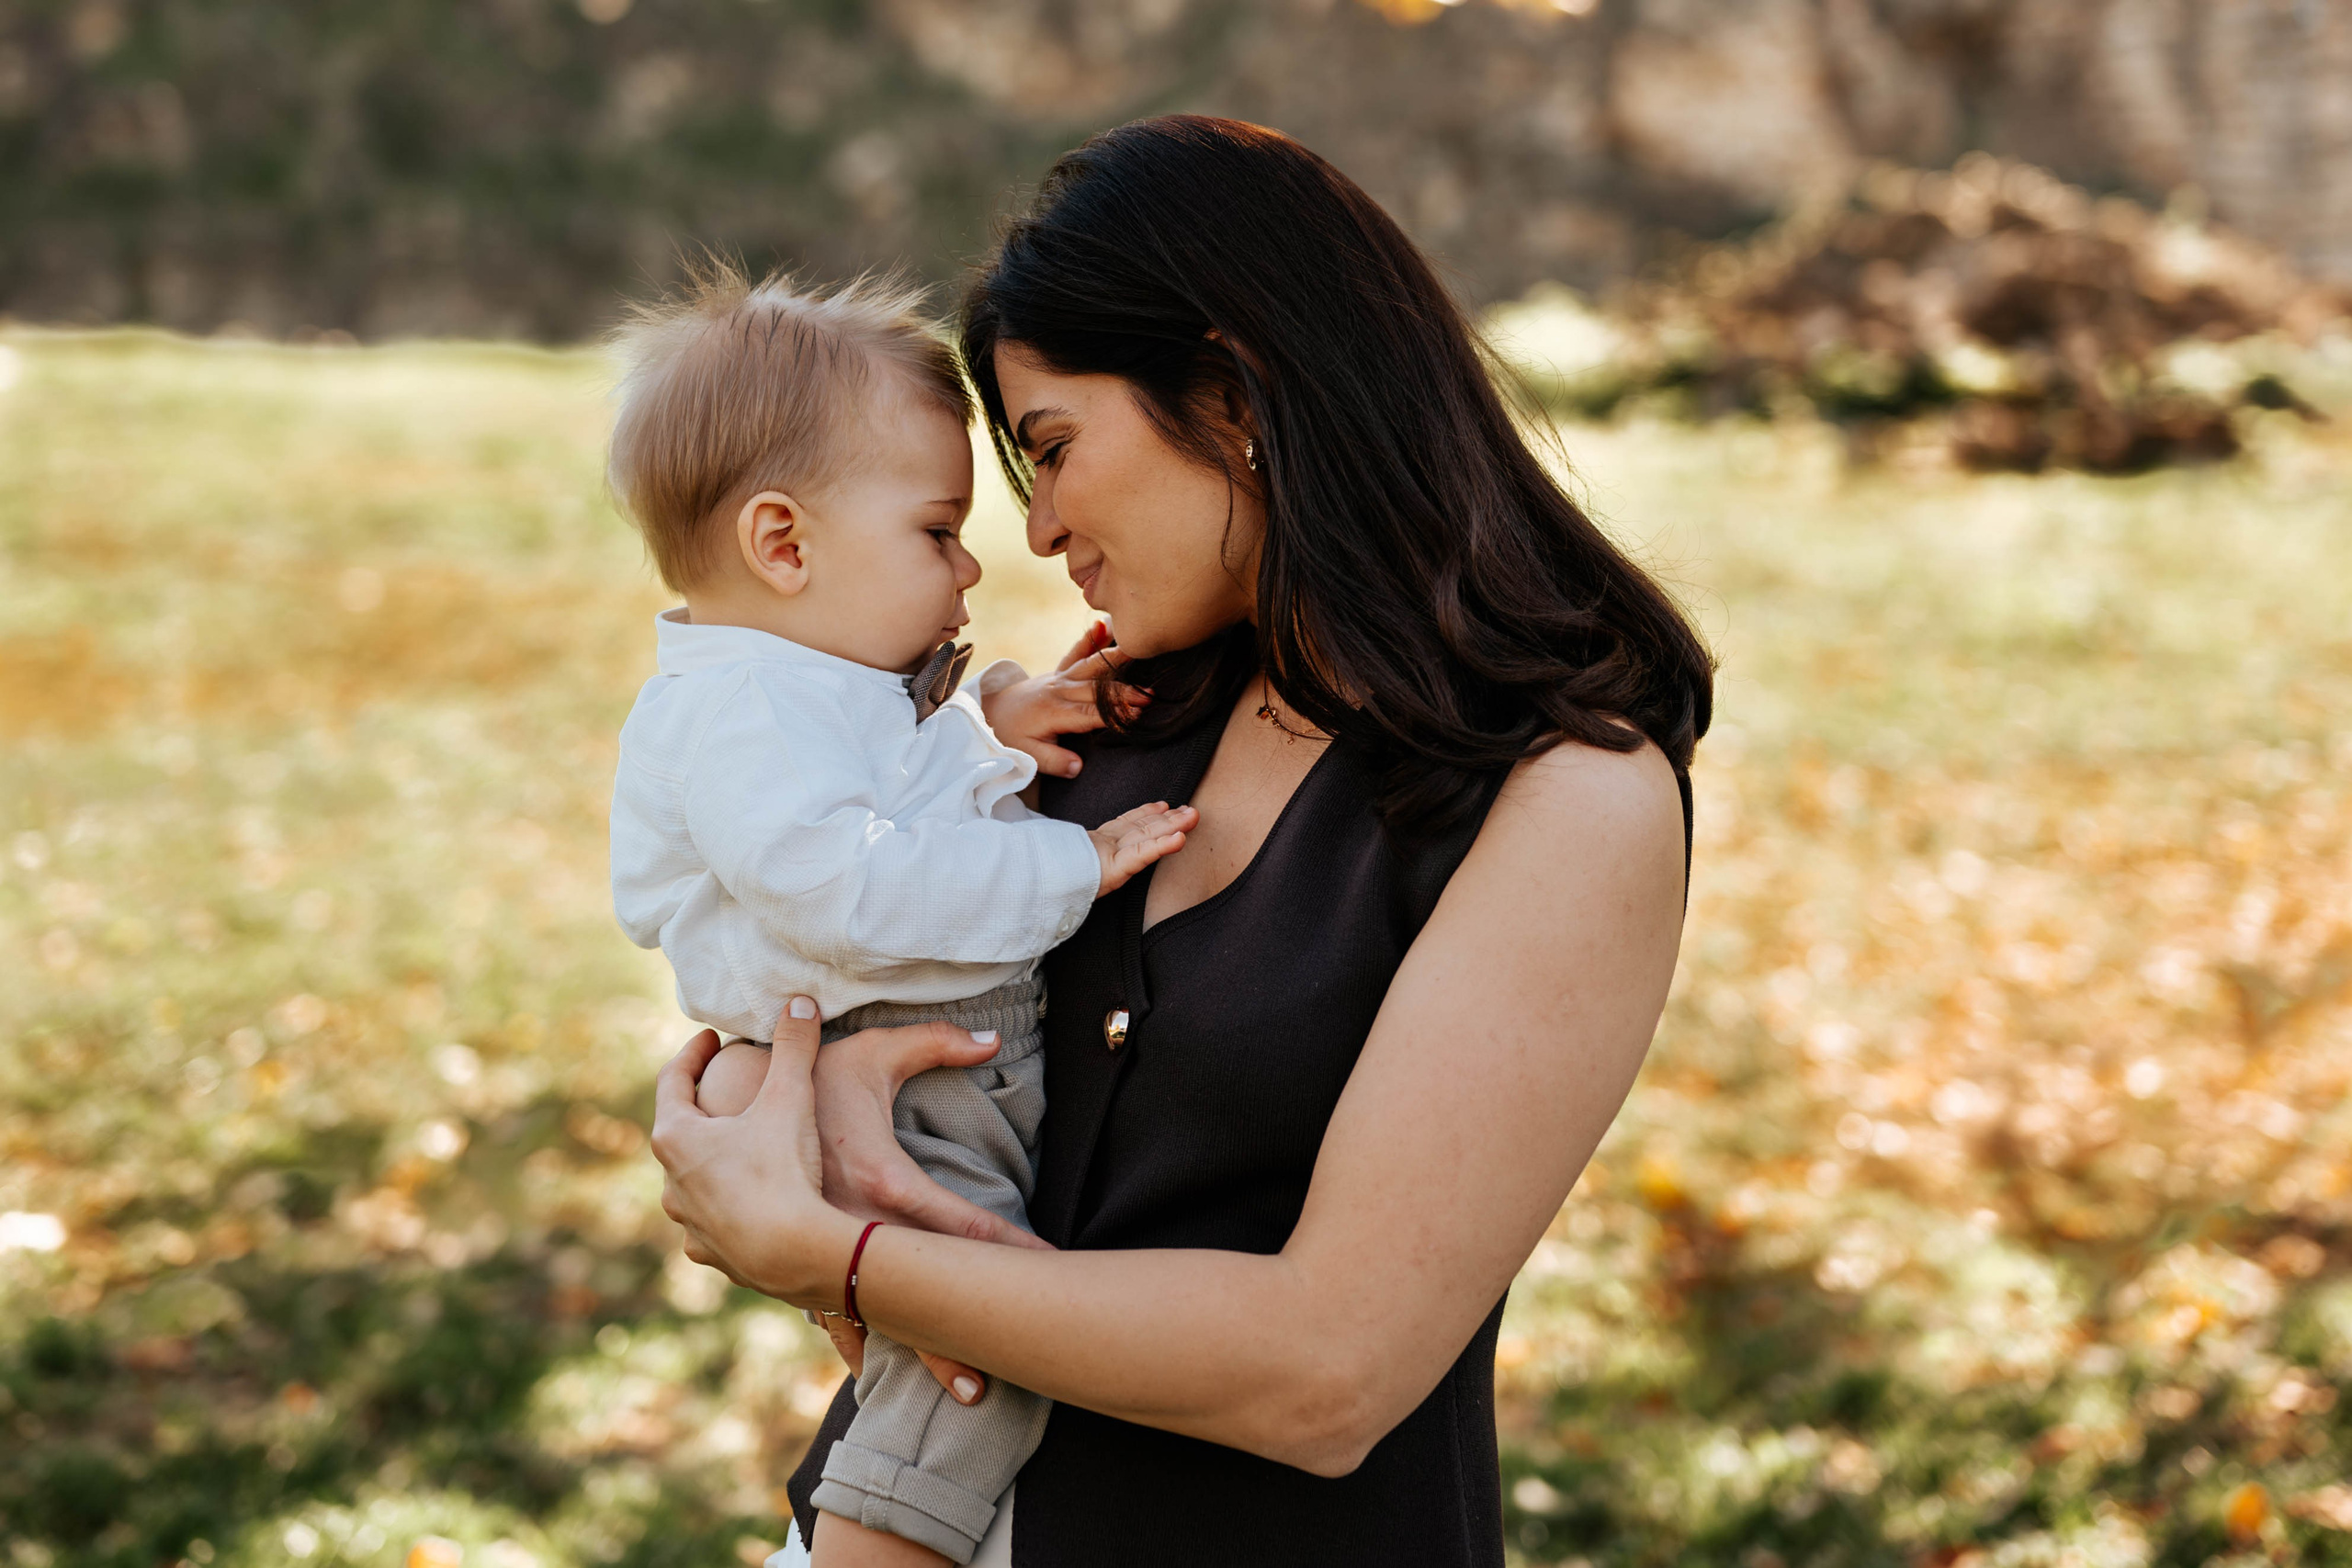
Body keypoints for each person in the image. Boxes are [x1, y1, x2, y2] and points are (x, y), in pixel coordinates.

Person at [653, 114, 1712, 1568]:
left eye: (1055, 448)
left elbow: (1327, 1370)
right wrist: (778, 1099)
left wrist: (837, 1255)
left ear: (1235, 391)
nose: (1038, 534)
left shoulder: (1566, 803)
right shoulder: (1115, 706)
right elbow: (818, 939)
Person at [604, 263, 1196, 1566]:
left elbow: (889, 793)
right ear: (783, 543)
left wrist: (990, 730)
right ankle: (887, 1543)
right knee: (980, 1345)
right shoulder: (743, 711)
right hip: (911, 1068)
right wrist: (1072, 869)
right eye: (937, 532)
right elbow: (852, 885)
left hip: (916, 1047)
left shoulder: (803, 683)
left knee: (979, 1318)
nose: (979, 561)